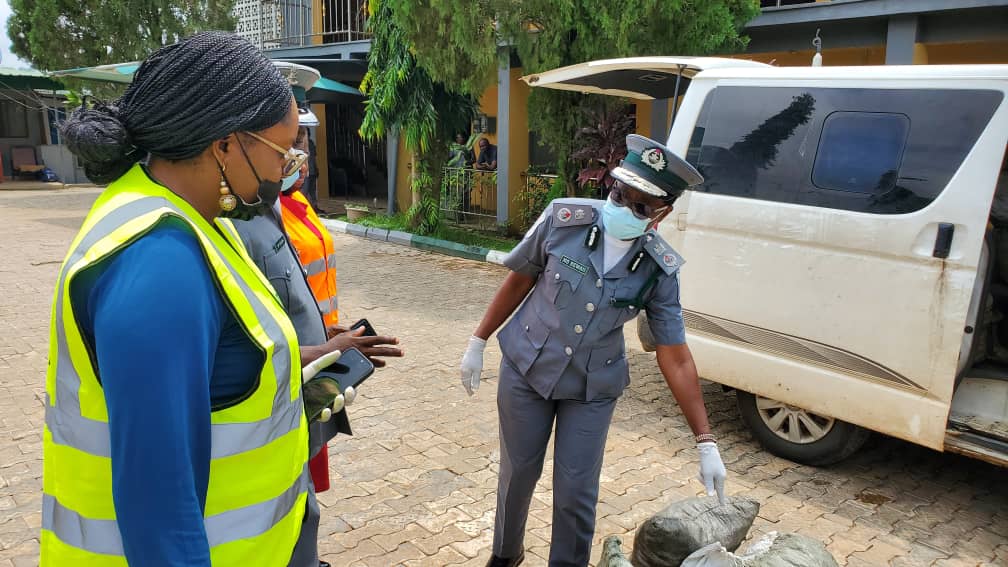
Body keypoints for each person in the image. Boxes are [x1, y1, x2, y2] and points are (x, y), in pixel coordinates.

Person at [42, 31, 321, 566]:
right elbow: (160, 513)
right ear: (224, 144)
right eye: (281, 152)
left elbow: (215, 363)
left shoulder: (193, 219)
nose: (283, 170)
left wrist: (301, 360)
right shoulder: (157, 262)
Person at [459, 134, 728, 567]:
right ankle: (505, 556)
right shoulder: (564, 220)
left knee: (576, 490)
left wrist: (705, 440)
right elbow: (520, 279)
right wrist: (479, 339)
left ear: (662, 213)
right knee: (518, 473)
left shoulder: (659, 270)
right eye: (619, 195)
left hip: (591, 387)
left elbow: (674, 354)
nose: (622, 210)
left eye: (640, 207)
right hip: (526, 368)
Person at [225, 144, 403, 566]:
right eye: (285, 148)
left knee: (304, 502)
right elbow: (235, 347)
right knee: (286, 506)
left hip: (307, 378)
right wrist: (322, 349)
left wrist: (327, 334)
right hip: (274, 400)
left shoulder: (275, 208)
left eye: (301, 147)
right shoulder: (229, 224)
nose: (296, 161)